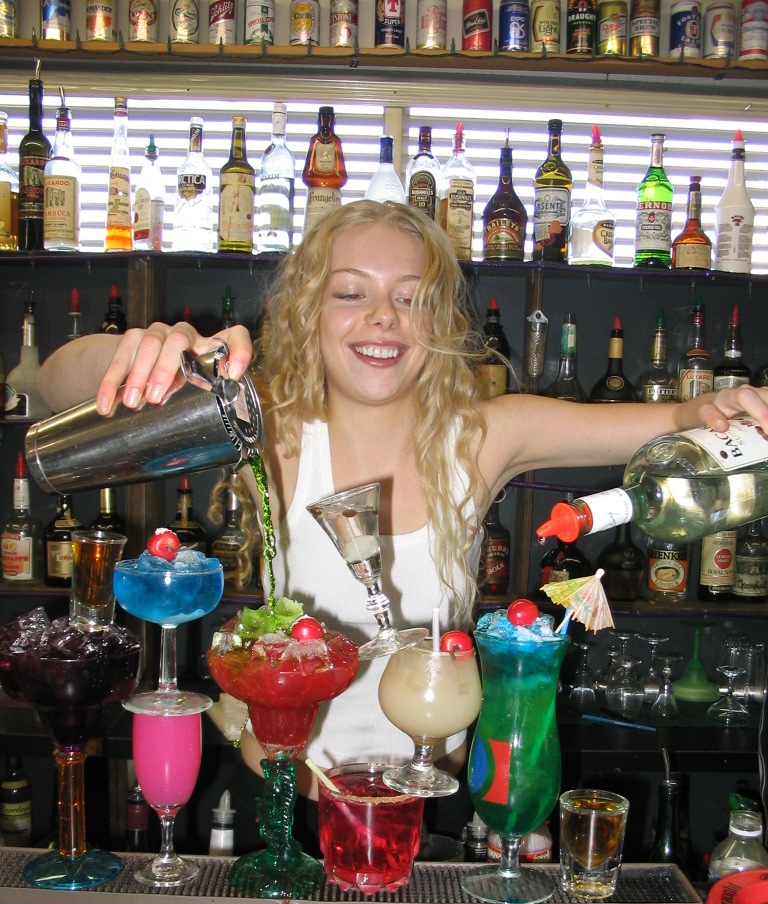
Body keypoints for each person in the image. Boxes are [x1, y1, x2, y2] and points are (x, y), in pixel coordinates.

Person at [37, 201, 768, 812]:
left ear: (439, 323)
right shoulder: (274, 429)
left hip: (430, 797)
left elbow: (675, 422)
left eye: (410, 298)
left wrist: (721, 408)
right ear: (308, 314)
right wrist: (142, 352)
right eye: (350, 293)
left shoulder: (480, 439)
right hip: (289, 796)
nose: (383, 318)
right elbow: (52, 386)